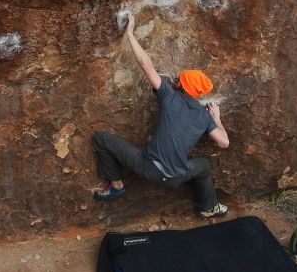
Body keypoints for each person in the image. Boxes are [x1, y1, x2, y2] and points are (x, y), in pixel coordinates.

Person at [91, 13, 230, 218]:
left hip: (150, 169)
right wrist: (216, 118)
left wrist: (130, 33)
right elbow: (224, 142)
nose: (176, 80)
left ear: (181, 85)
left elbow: (147, 65)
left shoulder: (169, 96)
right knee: (203, 166)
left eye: (179, 80)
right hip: (178, 176)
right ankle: (209, 207)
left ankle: (117, 185)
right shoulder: (203, 116)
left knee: (100, 139)